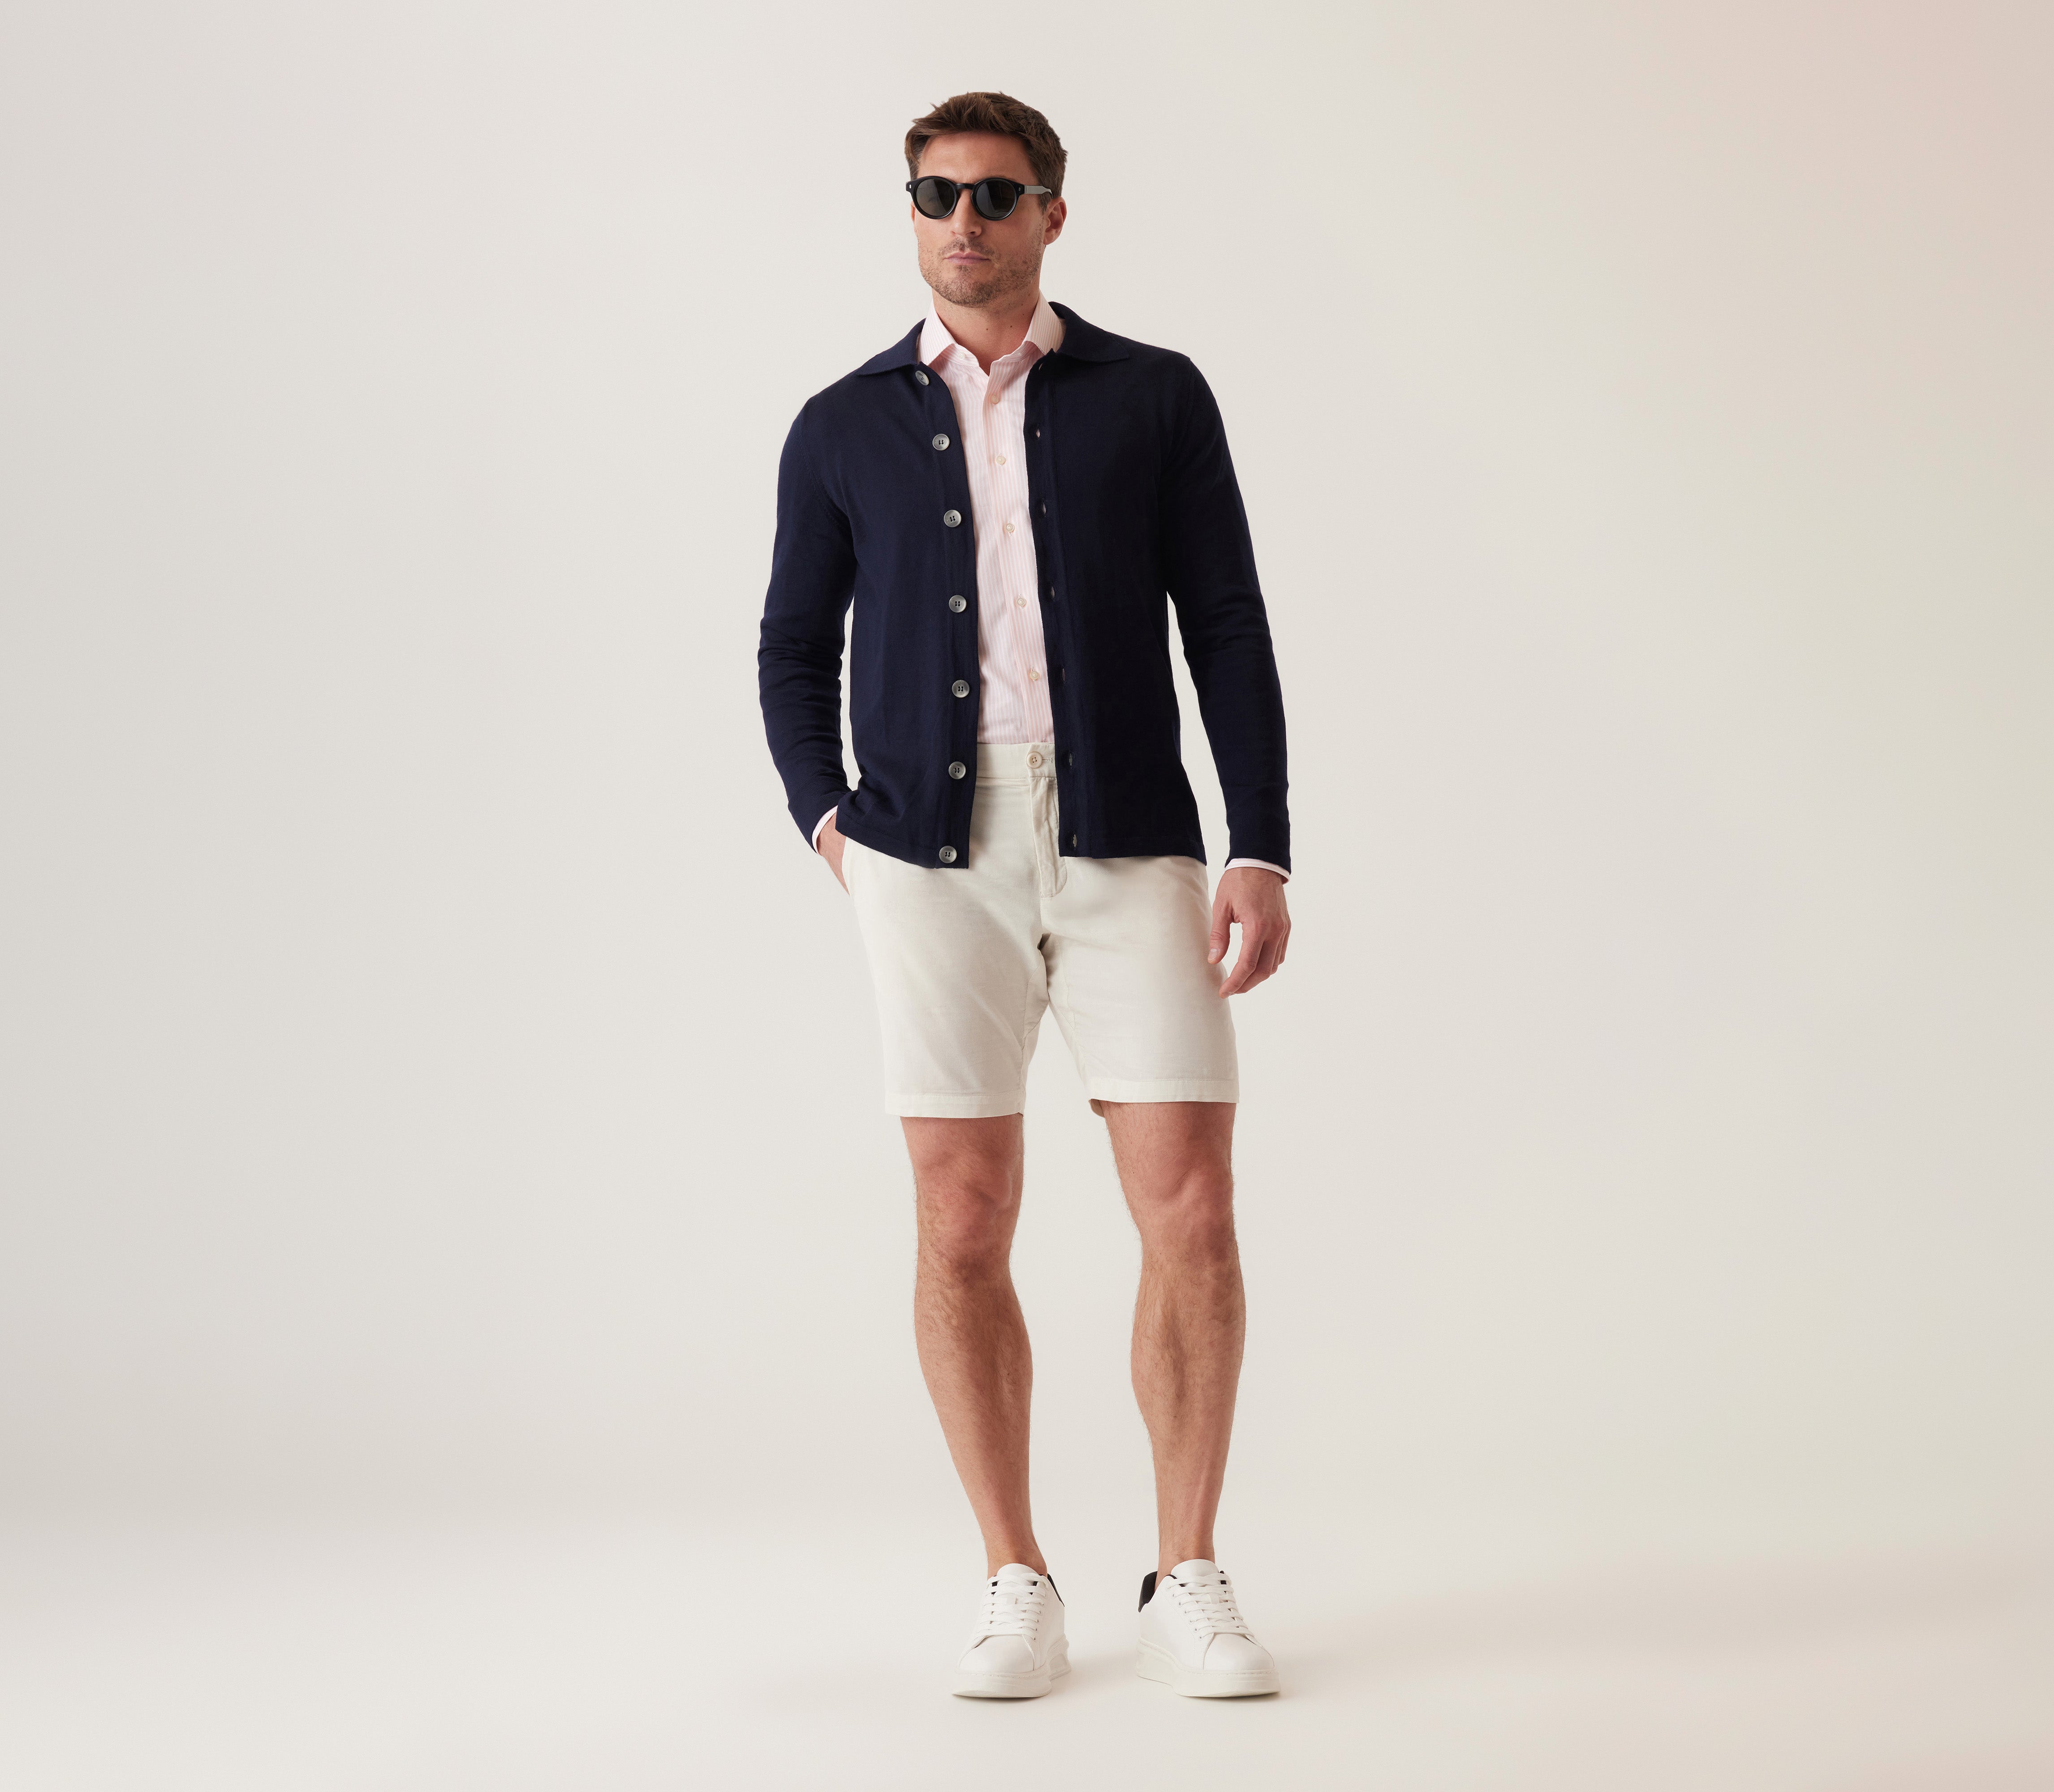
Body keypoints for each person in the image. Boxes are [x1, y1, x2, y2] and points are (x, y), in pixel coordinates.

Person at [757, 90, 1292, 1700]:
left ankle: (1185, 1569)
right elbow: (792, 646)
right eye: (934, 195)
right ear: (912, 214)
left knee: (1188, 1204)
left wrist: (1258, 843)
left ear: (1052, 212)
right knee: (962, 1214)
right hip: (926, 851)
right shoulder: (841, 423)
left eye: (994, 195)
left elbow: (1228, 622)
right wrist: (830, 826)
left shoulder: (1152, 393)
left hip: (1129, 833)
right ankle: (1014, 1576)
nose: (963, 223)